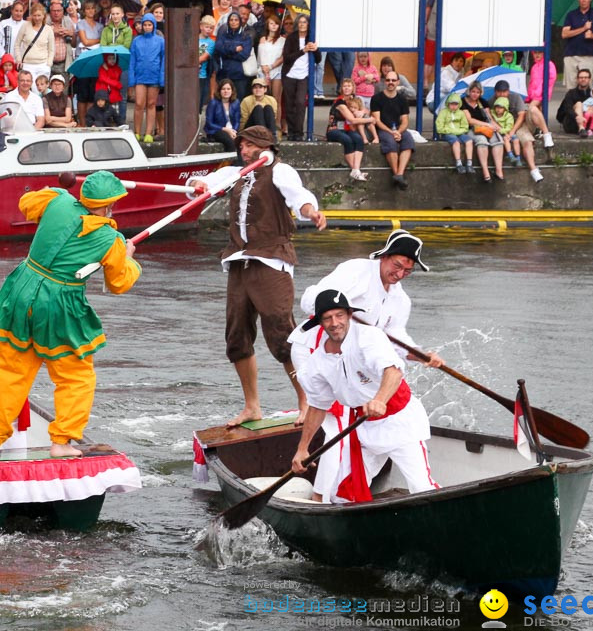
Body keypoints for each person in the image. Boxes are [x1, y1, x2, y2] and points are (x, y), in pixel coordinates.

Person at [0, 171, 140, 458]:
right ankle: (62, 441)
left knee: (11, 370)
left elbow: (27, 204)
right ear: (110, 204)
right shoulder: (110, 239)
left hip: (22, 289)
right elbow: (119, 283)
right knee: (75, 376)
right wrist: (128, 258)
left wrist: (50, 196)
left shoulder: (57, 199)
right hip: (59, 302)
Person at [186, 126, 326, 427]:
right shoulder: (237, 173)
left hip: (271, 261)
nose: (243, 150)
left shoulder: (280, 171)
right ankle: (252, 406)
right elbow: (209, 182)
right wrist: (198, 183)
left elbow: (297, 195)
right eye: (242, 144)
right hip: (238, 262)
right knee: (236, 337)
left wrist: (310, 210)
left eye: (249, 145)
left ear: (264, 148)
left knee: (281, 334)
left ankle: (306, 401)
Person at [290, 290, 439, 504]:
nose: (335, 323)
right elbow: (317, 407)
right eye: (327, 318)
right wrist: (302, 449)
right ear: (319, 323)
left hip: (399, 422)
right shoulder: (317, 364)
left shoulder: (369, 336)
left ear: (349, 315)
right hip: (363, 427)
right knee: (341, 497)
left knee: (422, 488)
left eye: (339, 315)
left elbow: (393, 371)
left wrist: (379, 399)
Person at [493, 80, 545, 182]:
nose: (501, 94)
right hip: (503, 129)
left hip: (519, 126)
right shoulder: (492, 101)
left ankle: (533, 169)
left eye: (504, 91)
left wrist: (512, 131)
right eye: (499, 92)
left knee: (527, 141)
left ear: (508, 91)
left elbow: (521, 116)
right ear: (495, 92)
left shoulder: (515, 97)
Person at [371, 70, 415, 189]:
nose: (390, 82)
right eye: (388, 80)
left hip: (398, 129)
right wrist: (392, 132)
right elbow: (377, 121)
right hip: (384, 129)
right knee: (390, 143)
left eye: (393, 80)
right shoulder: (376, 98)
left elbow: (405, 121)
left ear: (398, 82)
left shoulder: (402, 100)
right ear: (385, 82)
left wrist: (398, 132)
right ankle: (397, 174)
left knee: (409, 141)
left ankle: (399, 174)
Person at [281, 15, 319, 141]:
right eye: (300, 22)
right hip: (289, 74)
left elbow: (318, 59)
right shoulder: (291, 37)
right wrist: (303, 50)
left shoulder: (311, 38)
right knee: (289, 104)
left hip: (304, 75)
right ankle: (292, 132)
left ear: (308, 24)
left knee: (300, 102)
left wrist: (315, 49)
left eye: (305, 22)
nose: (302, 24)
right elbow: (287, 58)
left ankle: (299, 132)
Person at [326, 78, 372, 181]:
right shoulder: (340, 102)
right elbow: (352, 119)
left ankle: (356, 170)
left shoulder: (354, 99)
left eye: (349, 86)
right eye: (344, 86)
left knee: (358, 139)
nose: (347, 88)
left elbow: (364, 109)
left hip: (347, 129)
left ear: (353, 88)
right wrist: (370, 119)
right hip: (334, 129)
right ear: (341, 88)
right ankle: (355, 170)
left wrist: (363, 112)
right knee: (347, 140)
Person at [560, 0, 593, 89]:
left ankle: (586, 104)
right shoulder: (571, 14)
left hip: (588, 54)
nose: (584, 0)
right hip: (571, 54)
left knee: (586, 85)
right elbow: (564, 34)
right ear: (578, 0)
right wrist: (583, 28)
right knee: (571, 86)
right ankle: (573, 105)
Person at [129, 12, 164, 141]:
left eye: (150, 25)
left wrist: (162, 77)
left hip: (154, 76)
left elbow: (163, 60)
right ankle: (137, 132)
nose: (147, 27)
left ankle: (149, 133)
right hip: (140, 76)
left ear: (154, 26)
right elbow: (132, 60)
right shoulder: (136, 41)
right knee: (139, 104)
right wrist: (132, 79)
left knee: (151, 104)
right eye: (145, 25)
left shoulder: (160, 41)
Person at [13, 2, 55, 83]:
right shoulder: (25, 26)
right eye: (34, 15)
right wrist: (18, 59)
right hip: (27, 65)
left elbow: (51, 49)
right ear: (31, 15)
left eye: (39, 15)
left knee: (41, 90)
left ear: (43, 16)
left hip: (43, 64)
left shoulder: (48, 29)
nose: (37, 18)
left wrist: (49, 64)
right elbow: (17, 44)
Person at [436, 92, 473, 174]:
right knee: (456, 142)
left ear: (459, 104)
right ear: (448, 104)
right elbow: (439, 126)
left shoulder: (461, 113)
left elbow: (465, 126)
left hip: (460, 132)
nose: (454, 106)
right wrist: (449, 131)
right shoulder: (443, 112)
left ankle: (469, 163)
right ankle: (458, 163)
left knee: (469, 141)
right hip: (447, 133)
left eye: (456, 104)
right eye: (451, 104)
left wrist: (458, 131)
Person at [204, 79, 240, 155]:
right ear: (219, 91)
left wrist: (233, 131)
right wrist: (226, 129)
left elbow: (237, 120)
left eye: (228, 89)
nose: (226, 91)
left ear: (232, 90)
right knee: (230, 142)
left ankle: (239, 165)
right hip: (216, 130)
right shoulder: (213, 102)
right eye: (223, 89)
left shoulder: (236, 102)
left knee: (240, 142)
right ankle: (232, 164)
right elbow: (209, 123)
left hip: (232, 130)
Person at [556, 68, 593, 135]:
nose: (583, 79)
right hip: (572, 123)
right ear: (577, 79)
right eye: (581, 77)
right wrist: (576, 116)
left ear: (589, 79)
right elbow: (566, 109)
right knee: (579, 104)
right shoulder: (571, 93)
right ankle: (581, 128)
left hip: (589, 121)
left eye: (586, 77)